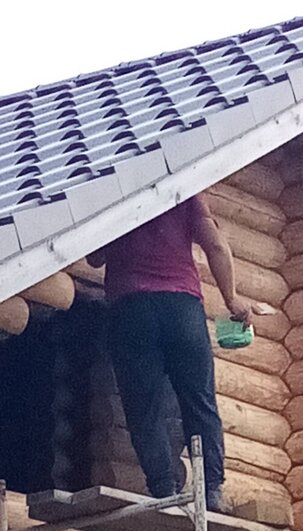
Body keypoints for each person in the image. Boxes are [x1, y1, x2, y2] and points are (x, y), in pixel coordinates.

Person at [87, 194, 256, 513]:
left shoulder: (116, 188)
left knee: (143, 406)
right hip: (182, 309)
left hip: (131, 308)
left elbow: (94, 257)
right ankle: (211, 491)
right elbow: (216, 245)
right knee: (199, 400)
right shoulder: (184, 189)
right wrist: (232, 299)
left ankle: (164, 489)